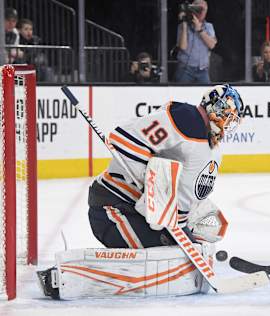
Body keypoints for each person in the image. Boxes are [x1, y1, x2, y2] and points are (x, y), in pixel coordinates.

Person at [37, 84, 244, 299]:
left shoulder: (208, 144)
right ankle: (65, 275)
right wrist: (150, 183)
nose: (228, 124)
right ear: (215, 108)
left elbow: (185, 191)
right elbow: (124, 141)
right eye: (228, 116)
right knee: (166, 255)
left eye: (232, 120)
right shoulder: (186, 119)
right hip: (113, 208)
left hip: (140, 213)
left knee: (195, 238)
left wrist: (177, 219)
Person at [175, 0, 217, 83]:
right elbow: (183, 47)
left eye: (204, 10)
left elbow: (212, 45)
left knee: (207, 94)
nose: (201, 12)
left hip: (202, 69)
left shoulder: (208, 26)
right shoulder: (182, 26)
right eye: (199, 9)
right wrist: (184, 23)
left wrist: (200, 30)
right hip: (186, 69)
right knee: (181, 94)